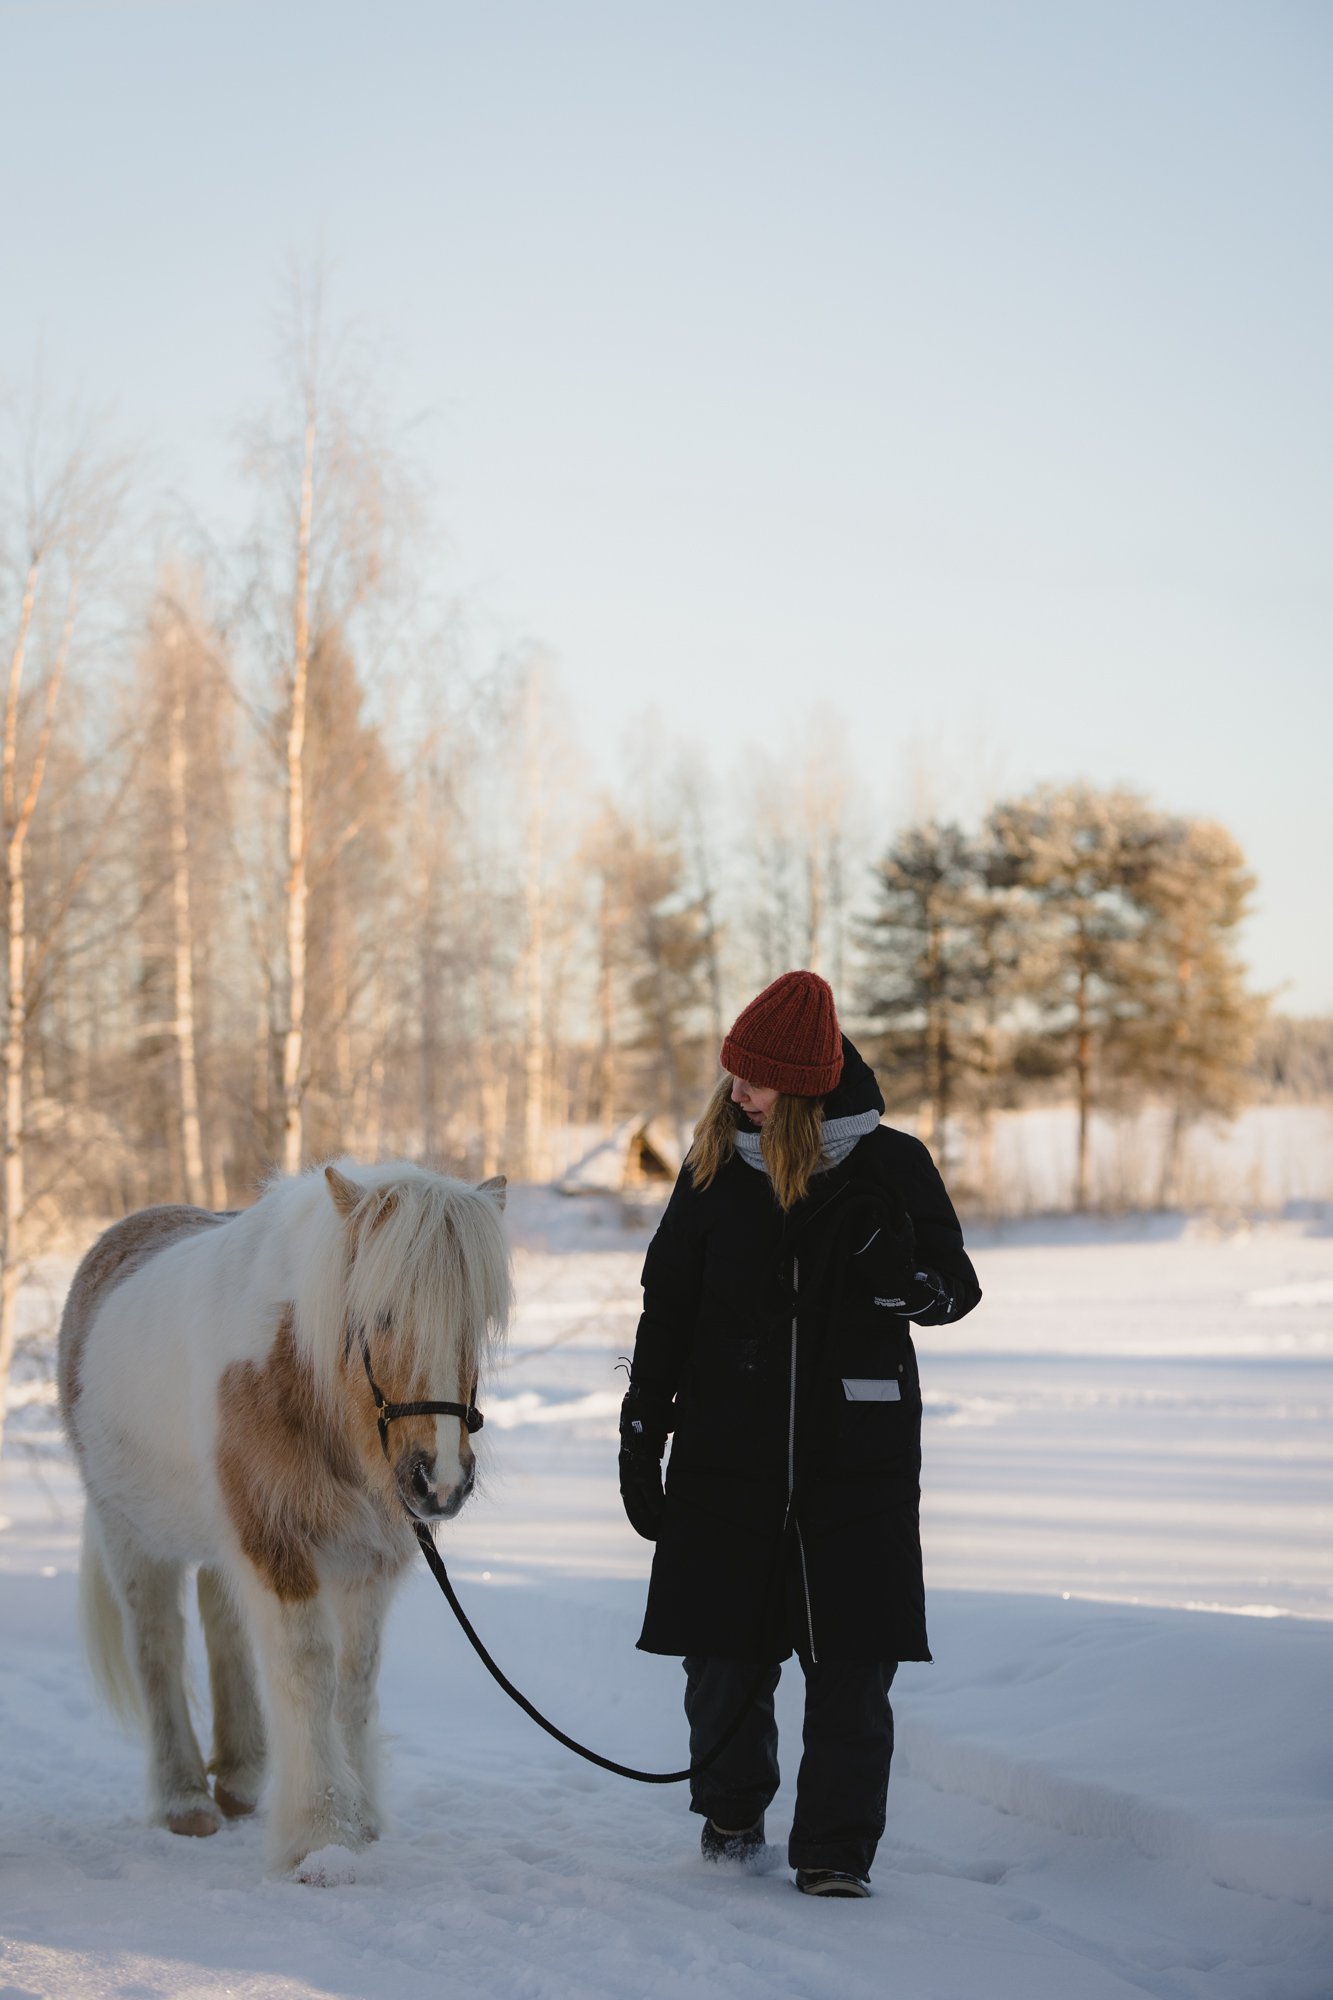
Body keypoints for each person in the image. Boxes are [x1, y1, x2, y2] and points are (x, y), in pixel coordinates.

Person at [618, 969, 980, 1898]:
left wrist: (895, 1274)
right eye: (734, 1070)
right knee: (722, 1663)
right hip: (722, 1457)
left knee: (853, 1669)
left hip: (854, 1464)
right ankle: (733, 1809)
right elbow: (667, 1310)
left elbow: (953, 1292)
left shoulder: (891, 1165)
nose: (737, 1089)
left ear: (807, 1086)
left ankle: (833, 1850)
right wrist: (639, 1428)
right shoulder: (709, 1169)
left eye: (758, 1078)